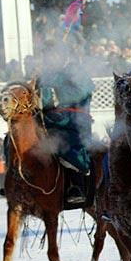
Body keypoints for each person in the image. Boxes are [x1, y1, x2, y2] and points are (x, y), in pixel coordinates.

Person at [36, 40, 96, 204]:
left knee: (63, 142)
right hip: (48, 118)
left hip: (72, 119)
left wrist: (57, 93)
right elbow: (42, 101)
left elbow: (84, 92)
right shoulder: (46, 75)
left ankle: (76, 184)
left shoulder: (74, 70)